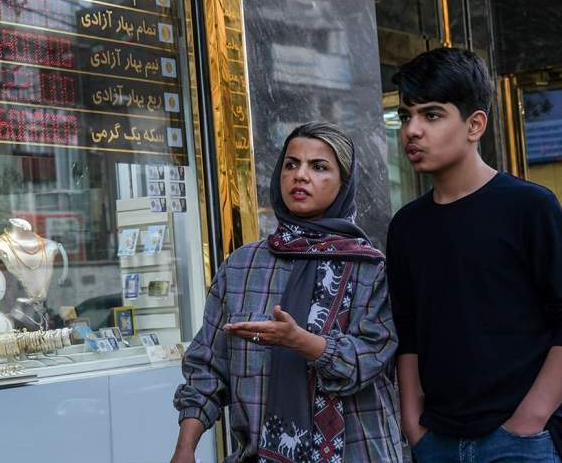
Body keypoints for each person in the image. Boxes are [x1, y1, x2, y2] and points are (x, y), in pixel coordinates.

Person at [387, 47, 562, 462]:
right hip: (438, 440)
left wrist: (529, 420)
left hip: (522, 440)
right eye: (405, 116)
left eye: (431, 115)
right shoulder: (407, 226)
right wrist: (414, 424)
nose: (412, 130)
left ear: (474, 124)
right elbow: (407, 332)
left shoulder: (528, 206)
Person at [172, 122, 402, 463]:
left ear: (344, 184)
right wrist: (185, 448)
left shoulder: (370, 268)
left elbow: (366, 360)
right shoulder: (241, 267)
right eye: (291, 164)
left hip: (359, 453)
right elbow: (207, 366)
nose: (300, 175)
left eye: (319, 167)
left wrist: (301, 342)